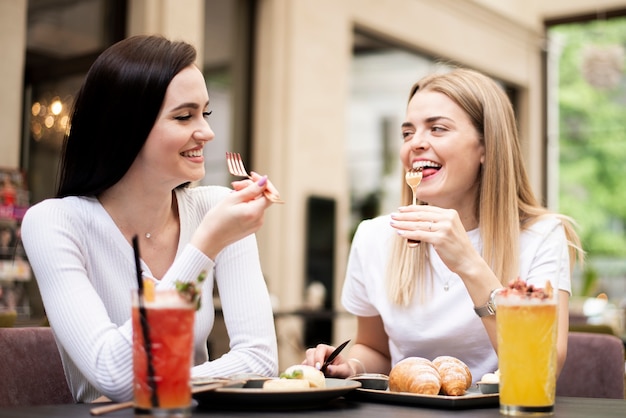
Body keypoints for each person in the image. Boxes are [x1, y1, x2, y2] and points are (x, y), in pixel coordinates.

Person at [21, 35, 279, 403]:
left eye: (204, 113)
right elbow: (114, 374)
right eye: (183, 116)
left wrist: (153, 384)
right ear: (125, 128)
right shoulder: (54, 223)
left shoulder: (216, 208)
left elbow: (259, 361)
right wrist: (204, 246)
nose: (207, 132)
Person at [303, 68, 583, 383]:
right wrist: (352, 366)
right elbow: (375, 348)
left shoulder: (542, 236)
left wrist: (468, 263)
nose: (416, 144)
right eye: (407, 133)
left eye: (437, 129)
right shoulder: (373, 236)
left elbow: (540, 368)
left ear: (487, 147)